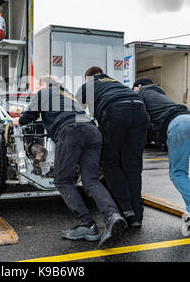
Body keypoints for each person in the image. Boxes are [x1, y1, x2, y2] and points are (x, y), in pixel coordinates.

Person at [12, 75, 127, 248]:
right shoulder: (68, 95)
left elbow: (27, 117)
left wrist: (16, 121)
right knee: (91, 180)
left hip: (71, 131)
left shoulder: (44, 92)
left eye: (38, 86)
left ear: (43, 84)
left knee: (63, 180)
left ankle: (87, 225)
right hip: (92, 131)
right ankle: (113, 216)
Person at [76, 67, 150, 228]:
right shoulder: (115, 83)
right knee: (133, 166)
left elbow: (75, 108)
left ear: (88, 77)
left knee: (110, 163)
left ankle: (126, 209)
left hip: (115, 112)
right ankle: (137, 216)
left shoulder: (89, 84)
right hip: (139, 110)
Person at [133, 77, 190, 224]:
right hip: (187, 118)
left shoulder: (141, 94)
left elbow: (142, 121)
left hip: (178, 126)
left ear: (138, 87)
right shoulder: (160, 95)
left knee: (178, 173)